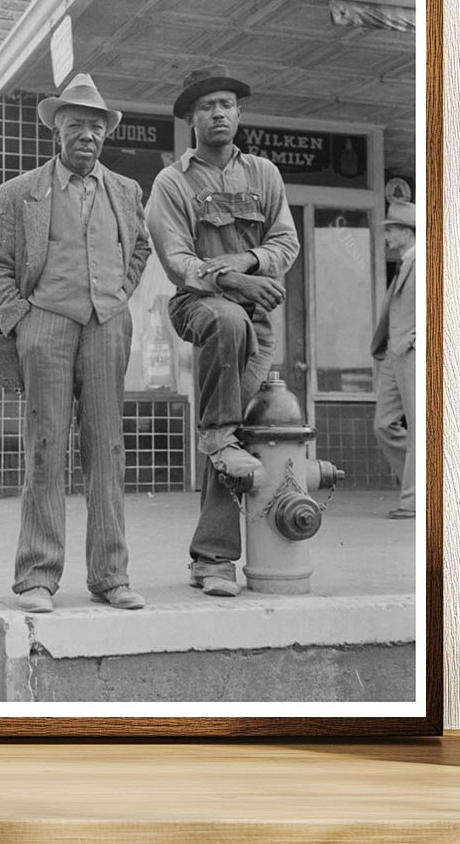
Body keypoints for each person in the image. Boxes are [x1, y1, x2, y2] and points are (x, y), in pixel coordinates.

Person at [0, 73, 152, 613]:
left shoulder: (126, 191)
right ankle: (36, 576)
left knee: (108, 449)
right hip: (46, 325)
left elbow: (141, 247)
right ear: (57, 130)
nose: (87, 136)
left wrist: (121, 293)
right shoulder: (18, 193)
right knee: (45, 449)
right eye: (76, 124)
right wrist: (21, 319)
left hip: (107, 326)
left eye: (96, 127)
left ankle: (111, 576)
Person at [145, 65, 300, 597]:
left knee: (231, 432)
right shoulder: (173, 182)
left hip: (256, 323)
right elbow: (177, 260)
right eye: (207, 106)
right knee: (225, 324)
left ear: (239, 114)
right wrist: (233, 279)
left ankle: (210, 562)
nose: (218, 113)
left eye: (227, 105)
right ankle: (215, 437)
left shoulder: (264, 175)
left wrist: (252, 262)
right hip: (199, 309)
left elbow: (286, 244)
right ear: (191, 118)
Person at [371, 200, 417, 519]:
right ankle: (422, 484)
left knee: (417, 430)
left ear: (407, 231)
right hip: (393, 353)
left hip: (412, 350)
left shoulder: (423, 261)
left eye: (390, 230)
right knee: (384, 425)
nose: (386, 236)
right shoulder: (404, 263)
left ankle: (414, 500)